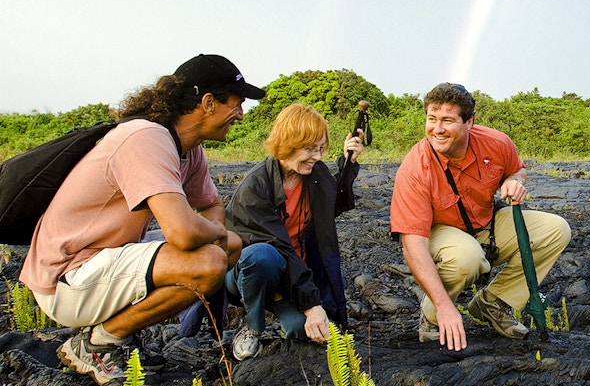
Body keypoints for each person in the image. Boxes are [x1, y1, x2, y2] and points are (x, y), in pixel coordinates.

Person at [20, 54, 264, 384]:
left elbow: (210, 207)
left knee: (229, 246)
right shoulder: (146, 138)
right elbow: (183, 233)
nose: (240, 114)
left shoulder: (189, 149)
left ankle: (113, 334)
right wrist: (206, 234)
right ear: (208, 102)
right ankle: (100, 342)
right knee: (207, 263)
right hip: (66, 278)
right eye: (236, 104)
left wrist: (212, 232)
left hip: (101, 262)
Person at [390, 83, 571, 350]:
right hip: (441, 231)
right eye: (431, 119)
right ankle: (431, 317)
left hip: (487, 223)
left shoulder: (496, 142)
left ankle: (494, 302)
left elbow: (517, 170)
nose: (437, 129)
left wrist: (513, 181)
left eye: (448, 120)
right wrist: (444, 307)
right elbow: (412, 244)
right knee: (467, 257)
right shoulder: (415, 168)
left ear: (469, 122)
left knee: (556, 229)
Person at [223, 103, 363, 360]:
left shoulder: (315, 174)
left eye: (321, 148)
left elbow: (334, 205)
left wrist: (348, 163)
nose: (318, 156)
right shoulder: (254, 188)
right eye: (310, 149)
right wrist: (311, 304)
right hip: (249, 275)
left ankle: (286, 311)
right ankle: (252, 326)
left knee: (308, 332)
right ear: (287, 144)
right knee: (262, 256)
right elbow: (280, 247)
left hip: (293, 275)